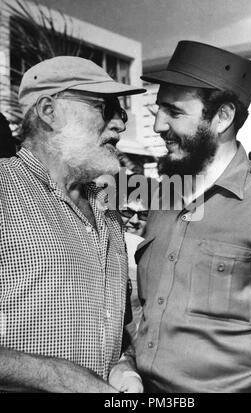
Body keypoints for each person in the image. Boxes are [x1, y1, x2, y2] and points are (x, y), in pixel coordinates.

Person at [135, 40, 251, 392]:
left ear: (222, 117)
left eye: (174, 112)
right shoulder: (162, 198)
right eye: (158, 111)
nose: (158, 127)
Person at [0, 56, 146, 393]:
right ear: (49, 111)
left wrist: (125, 369)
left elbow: (113, 329)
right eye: (104, 107)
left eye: (121, 112)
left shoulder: (108, 211)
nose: (120, 124)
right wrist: (61, 377)